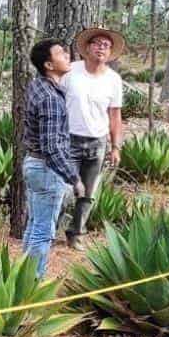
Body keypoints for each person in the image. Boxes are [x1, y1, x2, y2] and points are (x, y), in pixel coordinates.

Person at [22, 38, 85, 278]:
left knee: (34, 224)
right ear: (49, 64)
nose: (67, 55)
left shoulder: (37, 85)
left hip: (33, 164)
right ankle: (32, 285)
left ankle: (23, 278)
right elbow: (51, 147)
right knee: (43, 231)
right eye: (61, 53)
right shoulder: (50, 98)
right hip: (47, 170)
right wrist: (73, 178)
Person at [61, 27, 126, 248]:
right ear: (87, 48)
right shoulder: (70, 71)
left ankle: (76, 234)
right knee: (62, 188)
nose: (101, 48)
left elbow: (115, 115)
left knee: (88, 192)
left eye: (106, 45)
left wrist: (116, 146)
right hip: (68, 139)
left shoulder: (113, 80)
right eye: (97, 43)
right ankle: (47, 228)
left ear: (110, 53)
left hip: (97, 142)